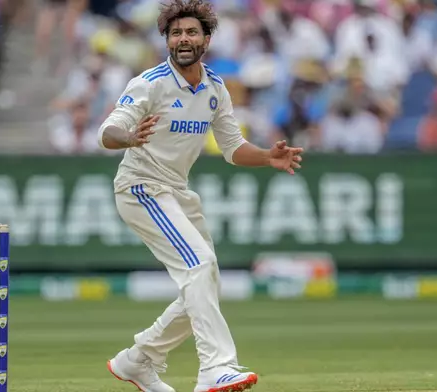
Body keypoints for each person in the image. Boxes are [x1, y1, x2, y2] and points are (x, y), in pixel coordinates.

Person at [98, 1, 303, 391]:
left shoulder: (214, 88)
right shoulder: (150, 83)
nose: (183, 39)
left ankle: (139, 360)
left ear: (206, 38)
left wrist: (267, 157)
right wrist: (129, 136)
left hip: (175, 191)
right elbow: (108, 131)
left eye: (191, 32)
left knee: (205, 280)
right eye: (176, 34)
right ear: (167, 40)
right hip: (140, 187)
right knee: (200, 266)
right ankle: (215, 367)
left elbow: (232, 147)